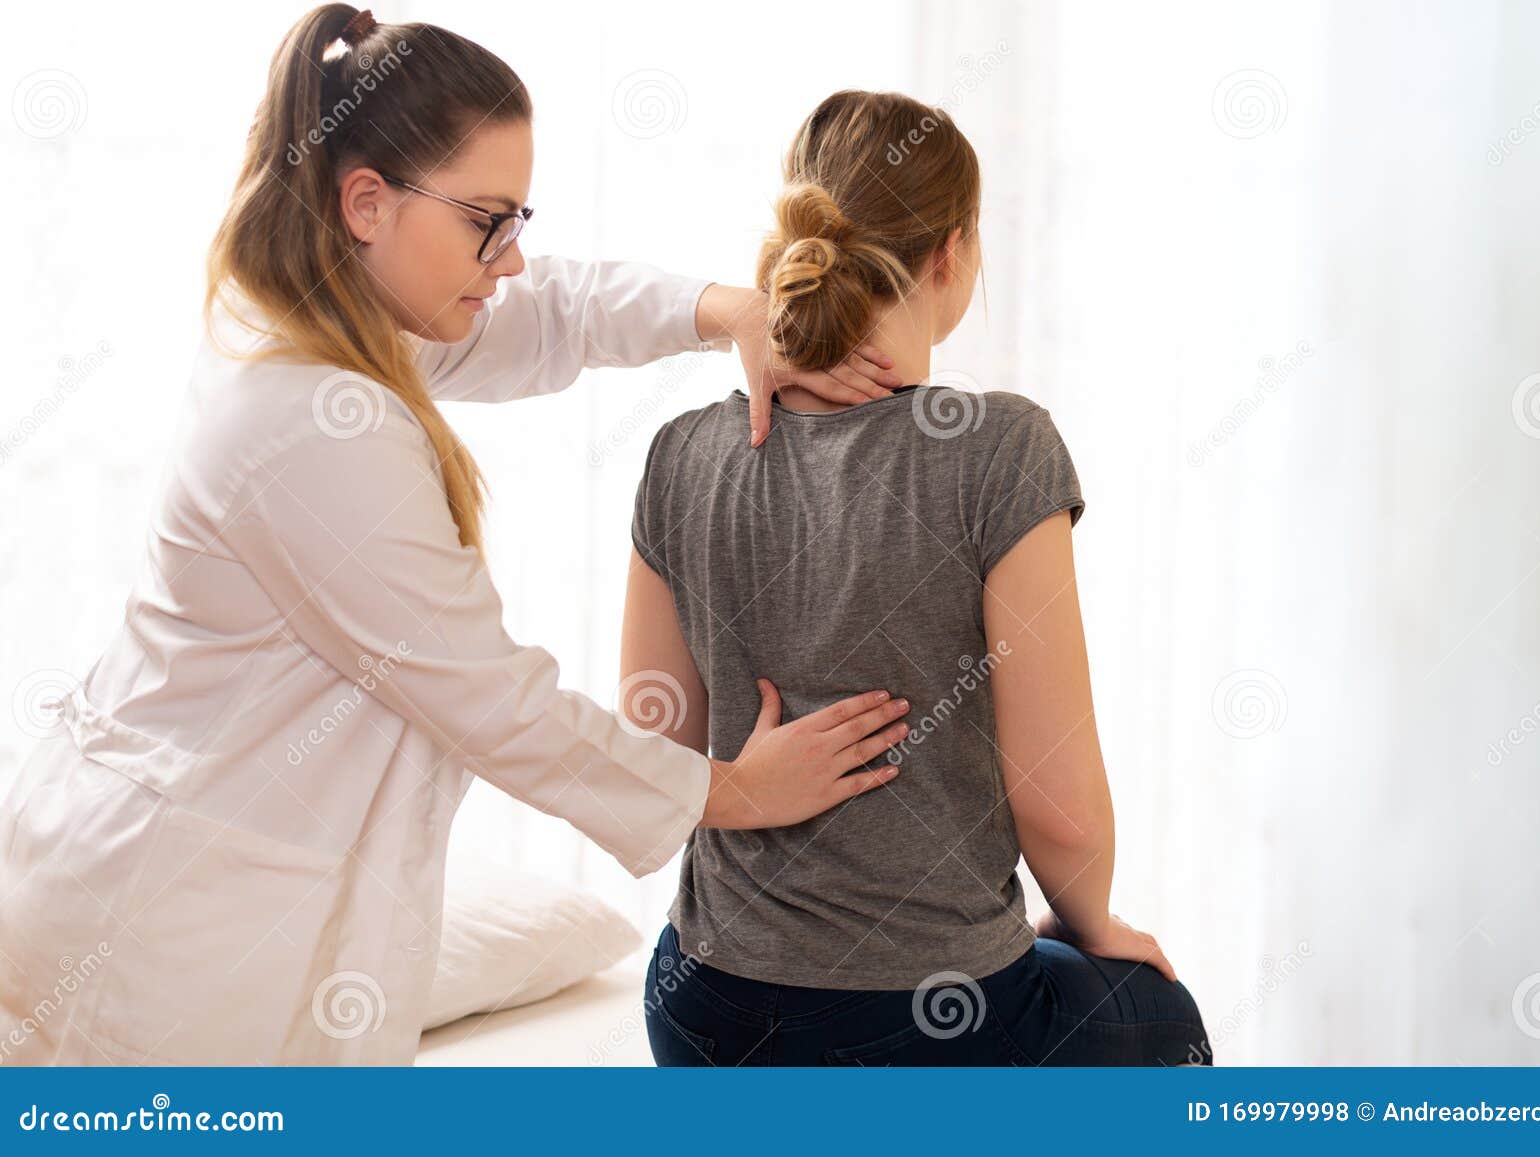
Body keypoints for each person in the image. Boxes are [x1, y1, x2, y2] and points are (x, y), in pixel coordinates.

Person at [0, 8, 910, 1066]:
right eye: (488, 221)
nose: (512, 260)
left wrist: (728, 312)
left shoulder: (329, 316)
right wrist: (737, 791)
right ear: (366, 203)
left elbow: (550, 312)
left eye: (518, 218)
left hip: (146, 859)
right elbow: (493, 701)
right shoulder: (307, 415)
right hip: (170, 927)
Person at [622, 90, 1211, 1065]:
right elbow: (1057, 805)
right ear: (952, 253)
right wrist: (1096, 923)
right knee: (1160, 1020)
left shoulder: (681, 451)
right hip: (931, 1014)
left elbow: (652, 745)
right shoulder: (999, 449)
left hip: (702, 1005)